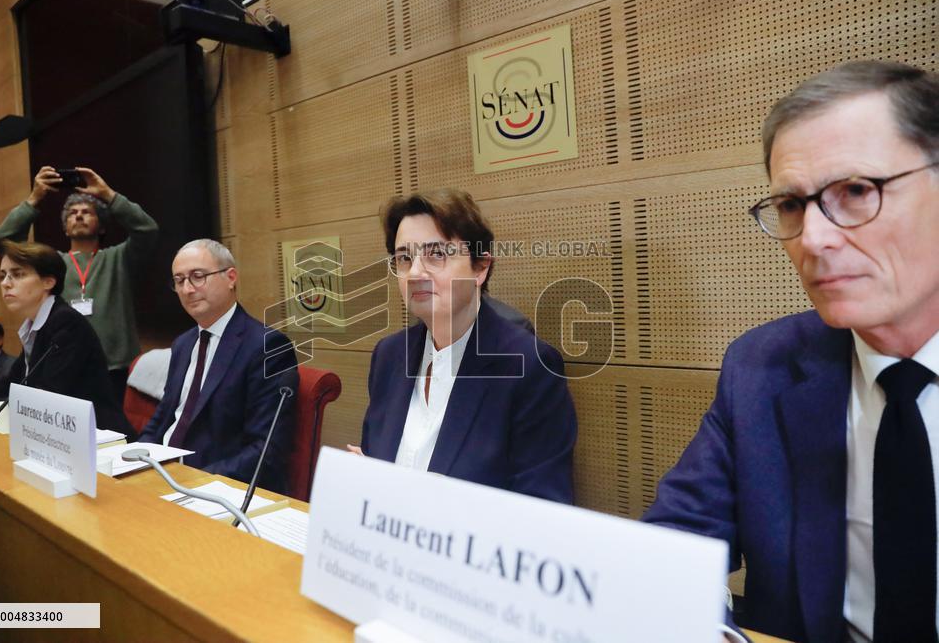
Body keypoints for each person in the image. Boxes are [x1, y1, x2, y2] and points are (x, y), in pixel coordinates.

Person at [642, 60, 939, 643]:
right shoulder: (762, 368)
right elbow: (666, 558)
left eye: (856, 191)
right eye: (792, 206)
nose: (814, 239)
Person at [358, 188, 577, 503]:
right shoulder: (389, 356)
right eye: (404, 258)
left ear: (480, 268)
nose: (416, 272)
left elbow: (542, 508)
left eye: (436, 254)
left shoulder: (528, 367)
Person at [139, 239, 299, 493]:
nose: (188, 289)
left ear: (231, 277)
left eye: (198, 276)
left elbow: (266, 449)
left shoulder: (268, 346)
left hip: (215, 484)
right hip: (162, 474)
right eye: (179, 281)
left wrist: (192, 481)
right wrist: (137, 457)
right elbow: (164, 416)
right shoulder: (183, 343)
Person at [0, 166, 159, 402]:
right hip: (64, 366)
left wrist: (108, 194)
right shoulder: (51, 265)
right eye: (72, 213)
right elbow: (3, 244)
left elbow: (148, 230)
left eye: (86, 212)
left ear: (101, 226)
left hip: (115, 369)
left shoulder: (118, 258)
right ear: (64, 226)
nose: (78, 215)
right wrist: (34, 198)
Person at [0, 240, 133, 438]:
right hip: (58, 435)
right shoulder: (38, 324)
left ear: (48, 282)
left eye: (17, 274)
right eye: (2, 276)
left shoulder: (65, 323)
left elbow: (47, 394)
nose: (6, 283)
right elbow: (15, 381)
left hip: (99, 438)